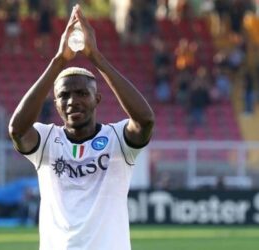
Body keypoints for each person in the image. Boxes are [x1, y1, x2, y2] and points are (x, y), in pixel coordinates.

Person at [8, 4, 154, 250]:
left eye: (81, 93)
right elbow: (17, 130)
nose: (73, 101)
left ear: (97, 99)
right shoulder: (46, 142)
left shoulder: (117, 140)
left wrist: (96, 57)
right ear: (56, 104)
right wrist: (58, 61)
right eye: (64, 95)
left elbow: (145, 121)